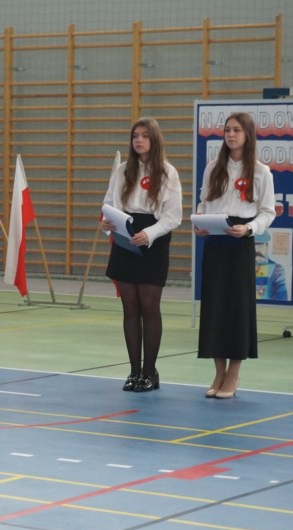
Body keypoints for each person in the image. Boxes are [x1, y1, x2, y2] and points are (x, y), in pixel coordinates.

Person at [194, 112, 276, 399]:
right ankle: (218, 371)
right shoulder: (213, 167)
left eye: (237, 130)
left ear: (248, 134)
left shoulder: (261, 172)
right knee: (214, 306)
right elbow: (204, 202)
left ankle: (234, 373)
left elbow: (268, 212)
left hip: (240, 241)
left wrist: (249, 228)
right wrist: (200, 222)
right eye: (227, 130)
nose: (230, 135)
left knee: (237, 308)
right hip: (215, 241)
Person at [101, 118, 183, 393]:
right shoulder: (122, 170)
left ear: (154, 139)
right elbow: (109, 204)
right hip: (125, 236)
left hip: (153, 239)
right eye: (135, 136)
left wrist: (149, 234)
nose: (139, 140)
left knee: (149, 307)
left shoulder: (168, 172)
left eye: (145, 136)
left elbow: (173, 216)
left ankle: (150, 372)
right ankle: (134, 371)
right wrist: (107, 224)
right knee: (130, 308)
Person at [254, 231, 288, 301]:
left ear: (267, 246)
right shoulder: (243, 268)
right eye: (253, 245)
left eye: (260, 245)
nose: (256, 250)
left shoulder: (277, 269)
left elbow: (282, 298)